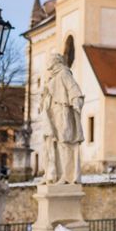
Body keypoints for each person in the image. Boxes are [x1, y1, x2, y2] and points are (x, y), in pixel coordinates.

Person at [40, 53, 85, 184]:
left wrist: (76, 101)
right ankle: (52, 174)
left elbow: (74, 89)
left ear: (54, 61)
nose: (47, 63)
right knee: (51, 143)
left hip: (62, 112)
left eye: (49, 60)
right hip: (52, 114)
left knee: (64, 144)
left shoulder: (64, 74)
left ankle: (67, 176)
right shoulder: (52, 77)